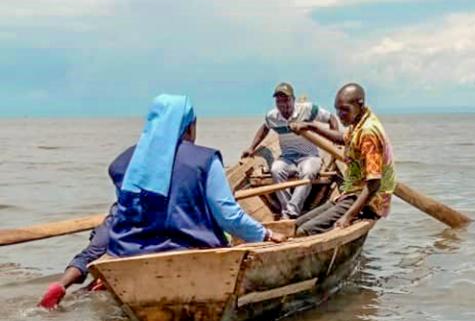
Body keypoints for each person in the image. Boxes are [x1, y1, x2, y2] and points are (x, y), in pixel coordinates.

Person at [108, 94, 285, 257]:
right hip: (192, 252)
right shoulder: (205, 160)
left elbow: (124, 213)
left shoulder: (123, 162)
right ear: (189, 126)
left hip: (126, 252)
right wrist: (264, 234)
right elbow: (228, 217)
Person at [38, 146, 136, 309]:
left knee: (90, 254)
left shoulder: (127, 157)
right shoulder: (169, 156)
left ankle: (62, 285)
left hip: (118, 215)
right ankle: (94, 287)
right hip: (143, 220)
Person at [291, 83, 396, 236]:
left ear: (360, 104)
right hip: (351, 192)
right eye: (337, 110)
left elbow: (374, 184)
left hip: (367, 202)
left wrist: (348, 216)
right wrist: (312, 126)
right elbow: (344, 139)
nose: (340, 115)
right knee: (297, 223)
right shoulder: (359, 122)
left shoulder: (368, 133)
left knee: (304, 231)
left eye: (345, 110)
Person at [241, 82, 338, 219]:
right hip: (287, 157)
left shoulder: (308, 109)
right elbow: (264, 129)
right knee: (276, 170)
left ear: (293, 99)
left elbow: (331, 118)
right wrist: (252, 148)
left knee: (309, 172)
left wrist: (335, 143)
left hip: (309, 156)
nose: (283, 105)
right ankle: (288, 209)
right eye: (279, 101)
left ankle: (290, 212)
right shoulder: (272, 116)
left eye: (286, 100)